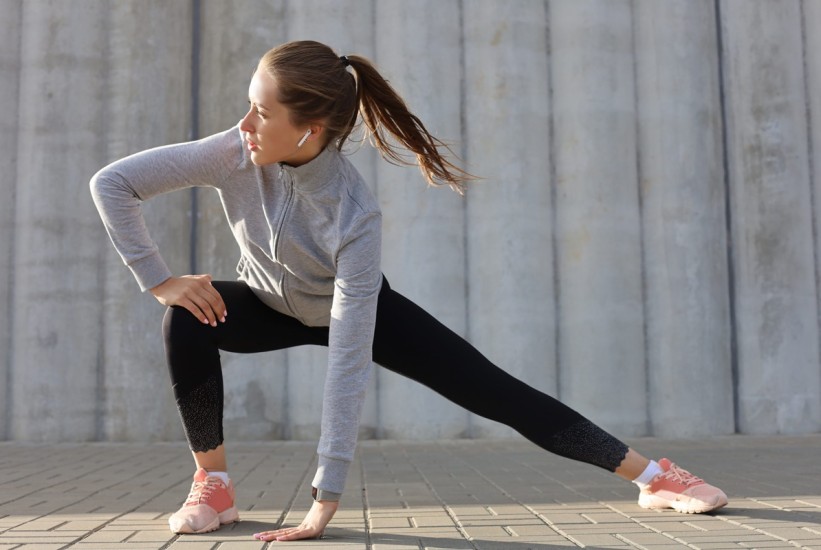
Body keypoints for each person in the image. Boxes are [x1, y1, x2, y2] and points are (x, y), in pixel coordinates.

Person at [90, 40, 727, 542]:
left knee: (495, 391)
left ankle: (654, 475)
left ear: (310, 130)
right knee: (184, 318)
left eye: (262, 111)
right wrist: (159, 279)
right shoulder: (233, 152)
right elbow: (113, 183)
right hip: (267, 304)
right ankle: (215, 484)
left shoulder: (353, 214)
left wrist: (325, 499)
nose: (244, 123)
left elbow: (346, 362)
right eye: (249, 104)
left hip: (356, 312)